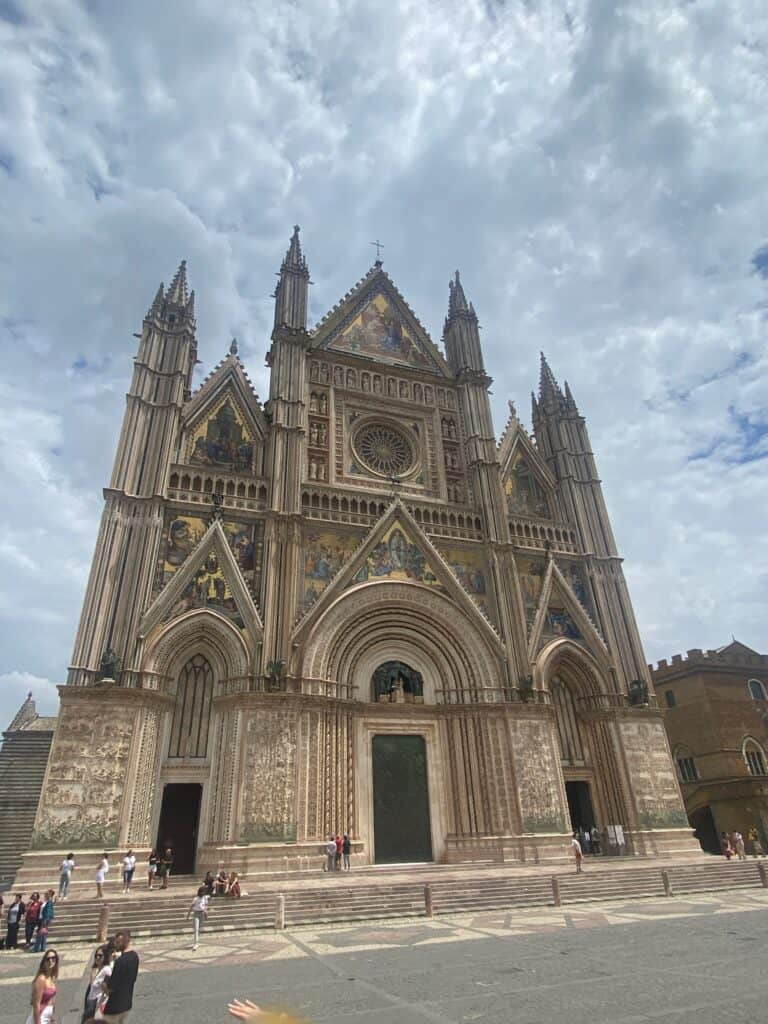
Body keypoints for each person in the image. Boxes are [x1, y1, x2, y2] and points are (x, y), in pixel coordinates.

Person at [101, 927, 139, 1022]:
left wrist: (104, 985)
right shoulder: (135, 956)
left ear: (125, 942)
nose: (116, 944)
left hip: (114, 1007)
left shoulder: (120, 961)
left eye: (118, 942)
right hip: (127, 1004)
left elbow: (111, 986)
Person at [25, 948, 58, 1024]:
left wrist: (52, 1018)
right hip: (40, 1016)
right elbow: (36, 1004)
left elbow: (51, 999)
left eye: (53, 958)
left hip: (48, 1016)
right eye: (48, 959)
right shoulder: (41, 979)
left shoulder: (51, 977)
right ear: (44, 962)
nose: (51, 961)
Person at [82, 943, 110, 1023]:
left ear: (105, 957)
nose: (97, 957)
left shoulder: (106, 970)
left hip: (97, 1003)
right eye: (96, 955)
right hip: (91, 1002)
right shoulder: (97, 969)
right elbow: (92, 986)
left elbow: (107, 986)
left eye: (100, 955)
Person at [187, 885, 209, 949]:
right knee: (196, 929)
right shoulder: (196, 898)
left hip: (202, 914)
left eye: (204, 892)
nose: (203, 893)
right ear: (200, 892)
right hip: (196, 914)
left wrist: (206, 913)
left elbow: (206, 906)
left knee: (199, 929)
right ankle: (195, 943)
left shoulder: (205, 898)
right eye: (202, 892)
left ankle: (196, 941)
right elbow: (191, 907)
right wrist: (188, 915)